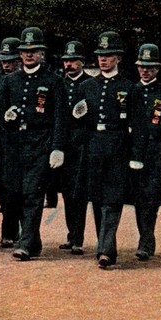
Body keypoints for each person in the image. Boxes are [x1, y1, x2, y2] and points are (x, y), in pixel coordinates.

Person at [0, 27, 67, 261]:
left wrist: (57, 147)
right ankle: (32, 241)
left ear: (42, 54)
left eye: (33, 51)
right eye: (25, 51)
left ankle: (25, 243)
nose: (28, 55)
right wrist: (6, 118)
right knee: (14, 193)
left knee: (33, 194)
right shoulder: (9, 81)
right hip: (15, 144)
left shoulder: (53, 81)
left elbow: (60, 117)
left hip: (40, 143)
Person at [72, 31, 136, 268]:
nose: (103, 60)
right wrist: (81, 145)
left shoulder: (129, 88)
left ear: (118, 58)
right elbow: (77, 120)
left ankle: (105, 249)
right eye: (100, 55)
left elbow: (136, 125)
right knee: (98, 200)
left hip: (118, 147)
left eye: (108, 55)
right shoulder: (87, 86)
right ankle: (106, 245)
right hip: (93, 148)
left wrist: (135, 155)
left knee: (112, 200)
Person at [128, 43, 161, 261]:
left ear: (157, 69)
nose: (145, 71)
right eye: (142, 67)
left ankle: (146, 239)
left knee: (150, 196)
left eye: (150, 67)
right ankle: (145, 237)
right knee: (138, 196)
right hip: (134, 150)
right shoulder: (130, 90)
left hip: (156, 150)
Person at [57, 40, 90, 255]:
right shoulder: (59, 84)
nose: (69, 65)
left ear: (82, 62)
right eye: (66, 61)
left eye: (73, 61)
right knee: (67, 193)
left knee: (81, 193)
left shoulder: (90, 84)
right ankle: (72, 235)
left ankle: (79, 237)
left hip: (84, 145)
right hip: (64, 145)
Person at [0, 36, 22, 247]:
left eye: (11, 60)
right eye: (4, 60)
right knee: (4, 188)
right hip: (1, 141)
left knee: (21, 189)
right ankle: (10, 229)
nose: (7, 64)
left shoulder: (26, 80)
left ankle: (18, 230)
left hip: (23, 140)